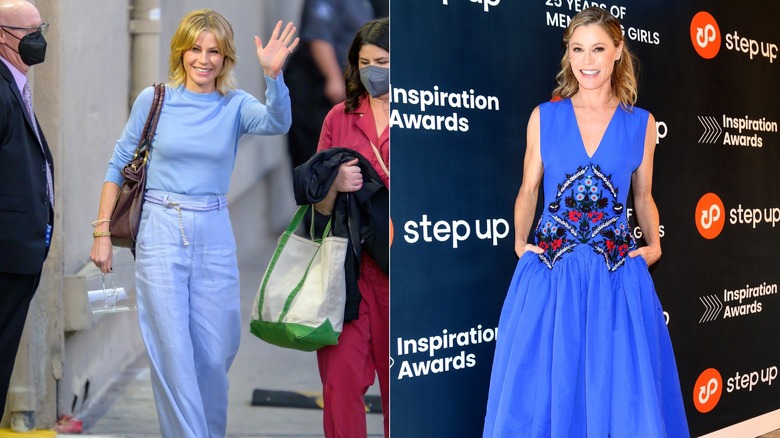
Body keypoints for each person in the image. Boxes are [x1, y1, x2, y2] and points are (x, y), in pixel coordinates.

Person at [89, 9, 298, 437]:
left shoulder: (235, 105)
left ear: (226, 58)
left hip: (214, 228)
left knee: (214, 351)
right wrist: (102, 232)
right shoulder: (155, 99)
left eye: (214, 52)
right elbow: (117, 166)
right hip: (161, 227)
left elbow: (278, 123)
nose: (204, 60)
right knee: (172, 351)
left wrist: (274, 77)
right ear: (180, 52)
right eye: (195, 50)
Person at [482, 7, 689, 437]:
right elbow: (528, 190)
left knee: (616, 395)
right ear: (568, 55)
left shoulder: (642, 124)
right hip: (552, 277)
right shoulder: (545, 116)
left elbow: (643, 196)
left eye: (597, 49)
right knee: (543, 393)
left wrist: (654, 245)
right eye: (578, 49)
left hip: (615, 280)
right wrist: (521, 243)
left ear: (617, 52)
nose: (587, 61)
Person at [300, 17, 389, 438]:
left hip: (402, 275)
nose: (373, 71)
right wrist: (333, 184)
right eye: (365, 61)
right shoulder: (340, 116)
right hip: (346, 270)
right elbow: (316, 207)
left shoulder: (430, 118)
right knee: (340, 385)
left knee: (402, 391)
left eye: (384, 61)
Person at [0, 0, 53, 416]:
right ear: (2, 35)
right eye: (29, 33)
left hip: (22, 254)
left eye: (42, 29)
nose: (39, 41)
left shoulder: (16, 81)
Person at [284, 0, 375, 168]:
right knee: (317, 157)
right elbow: (319, 38)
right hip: (316, 88)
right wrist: (333, 78)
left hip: (346, 88)